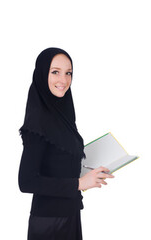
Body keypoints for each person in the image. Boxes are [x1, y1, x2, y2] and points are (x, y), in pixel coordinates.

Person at [18, 47, 114, 240]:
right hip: (50, 224)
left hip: (69, 215)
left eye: (68, 73)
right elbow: (26, 181)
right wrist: (79, 183)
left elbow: (58, 166)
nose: (63, 80)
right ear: (42, 74)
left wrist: (89, 175)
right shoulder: (38, 121)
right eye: (55, 72)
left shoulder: (64, 116)